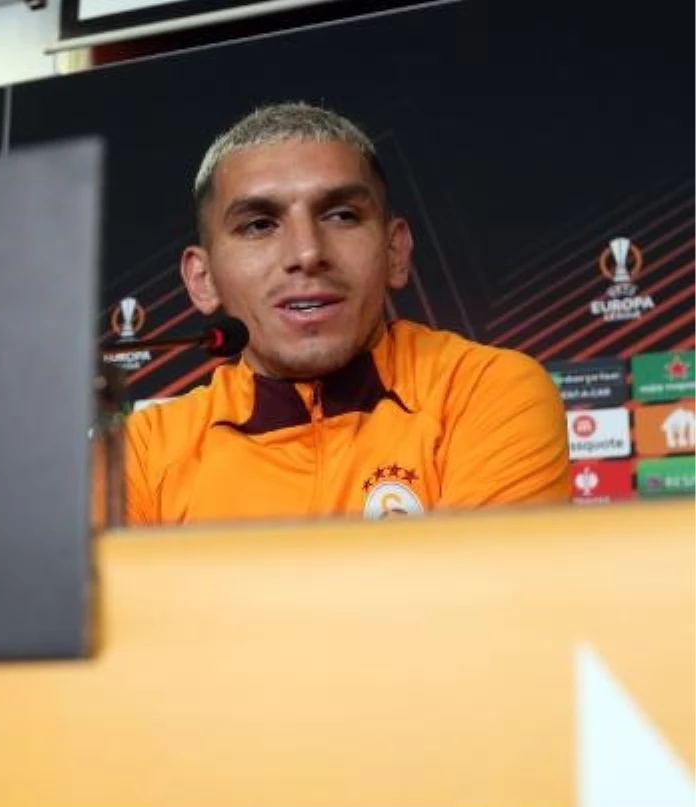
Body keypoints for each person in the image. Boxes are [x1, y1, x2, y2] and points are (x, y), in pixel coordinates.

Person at [122, 102, 569, 524]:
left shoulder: (484, 392)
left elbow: (484, 583)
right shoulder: (142, 453)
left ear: (395, 251)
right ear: (202, 279)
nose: (307, 252)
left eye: (340, 216)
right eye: (259, 225)